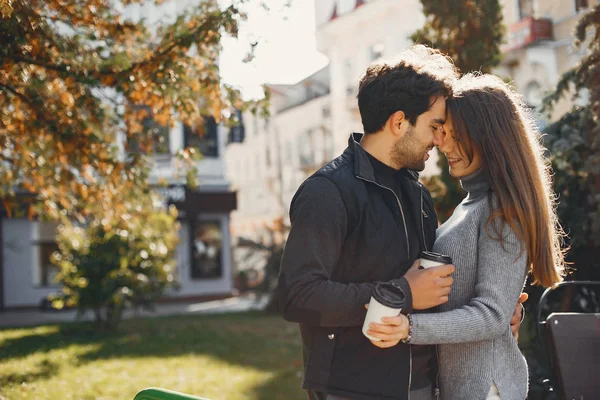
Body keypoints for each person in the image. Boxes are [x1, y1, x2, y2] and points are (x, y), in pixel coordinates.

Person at [278, 46, 524, 400]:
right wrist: (401, 293)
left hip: (424, 387)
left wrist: (497, 311)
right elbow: (297, 295)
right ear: (398, 123)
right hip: (352, 389)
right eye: (434, 127)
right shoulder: (328, 191)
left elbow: (429, 290)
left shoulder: (418, 196)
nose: (440, 140)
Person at [366, 74, 566, 400]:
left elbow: (490, 315)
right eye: (443, 130)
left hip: (487, 388)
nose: (442, 143)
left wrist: (410, 327)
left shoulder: (502, 211)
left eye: (456, 135)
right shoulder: (473, 204)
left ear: (488, 138)